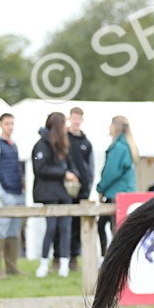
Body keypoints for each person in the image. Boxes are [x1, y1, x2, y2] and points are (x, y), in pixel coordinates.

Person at [32, 112, 79, 278]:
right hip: (49, 194)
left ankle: (64, 265)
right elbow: (41, 169)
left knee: (65, 228)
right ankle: (44, 263)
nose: (67, 127)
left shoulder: (63, 145)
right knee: (51, 228)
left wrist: (73, 174)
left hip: (64, 193)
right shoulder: (41, 145)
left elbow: (72, 165)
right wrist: (63, 173)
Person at [0, 113, 25, 279]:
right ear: (1, 124)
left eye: (12, 123)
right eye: (7, 123)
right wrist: (0, 194)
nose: (10, 126)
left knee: (13, 230)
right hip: (4, 195)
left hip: (16, 193)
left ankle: (11, 266)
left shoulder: (13, 145)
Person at [95, 115, 139, 254]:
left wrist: (100, 188)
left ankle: (107, 257)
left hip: (116, 193)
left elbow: (111, 172)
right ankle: (109, 256)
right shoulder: (129, 146)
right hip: (125, 192)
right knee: (114, 228)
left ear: (115, 127)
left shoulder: (119, 147)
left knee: (109, 227)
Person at [65, 107, 95, 270]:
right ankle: (61, 257)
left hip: (82, 190)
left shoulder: (86, 142)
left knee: (78, 226)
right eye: (74, 118)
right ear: (70, 119)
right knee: (64, 224)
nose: (76, 121)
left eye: (79, 118)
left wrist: (88, 185)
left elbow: (90, 167)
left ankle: (74, 257)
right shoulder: (63, 139)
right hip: (66, 190)